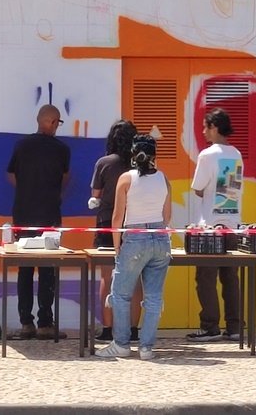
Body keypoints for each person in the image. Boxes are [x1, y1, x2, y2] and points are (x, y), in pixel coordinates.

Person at [96, 134, 172, 360]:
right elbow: (167, 216)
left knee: (120, 294)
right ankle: (147, 347)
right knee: (154, 296)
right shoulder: (164, 179)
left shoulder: (126, 179)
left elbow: (117, 217)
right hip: (160, 237)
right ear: (153, 156)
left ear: (133, 154)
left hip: (134, 237)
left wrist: (118, 247)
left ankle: (121, 343)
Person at [6, 104, 71, 340]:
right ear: (53, 122)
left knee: (24, 268)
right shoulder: (61, 149)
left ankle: (26, 323)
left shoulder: (21, 146)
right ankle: (45, 323)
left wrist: (25, 189)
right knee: (48, 268)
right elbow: (65, 176)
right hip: (50, 215)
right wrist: (53, 193)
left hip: (22, 214)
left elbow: (10, 173)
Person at [188, 108, 244, 342]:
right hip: (232, 223)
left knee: (206, 279)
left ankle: (210, 326)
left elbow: (198, 188)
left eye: (205, 126)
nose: (203, 132)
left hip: (210, 226)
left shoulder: (207, 155)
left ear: (214, 127)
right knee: (230, 278)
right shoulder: (236, 154)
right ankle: (235, 327)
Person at [89, 119, 143, 343]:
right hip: (136, 224)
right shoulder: (141, 164)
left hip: (107, 225)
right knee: (136, 276)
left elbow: (95, 195)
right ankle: (133, 330)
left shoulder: (104, 163)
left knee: (107, 277)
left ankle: (109, 328)